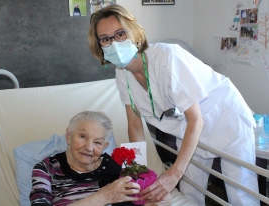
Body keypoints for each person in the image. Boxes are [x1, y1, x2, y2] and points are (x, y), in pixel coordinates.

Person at [88, 4, 259, 206]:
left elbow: (195, 118)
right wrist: (138, 173)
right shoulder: (122, 75)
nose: (114, 43)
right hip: (188, 129)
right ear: (99, 46)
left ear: (134, 33)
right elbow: (134, 124)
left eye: (120, 34)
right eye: (106, 39)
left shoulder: (168, 58)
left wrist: (173, 173)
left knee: (240, 194)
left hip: (225, 121)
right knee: (189, 191)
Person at [29, 111, 141, 205]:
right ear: (68, 136)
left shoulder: (117, 168)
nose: (89, 147)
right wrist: (104, 197)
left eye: (97, 142)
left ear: (104, 146)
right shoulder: (47, 168)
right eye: (83, 137)